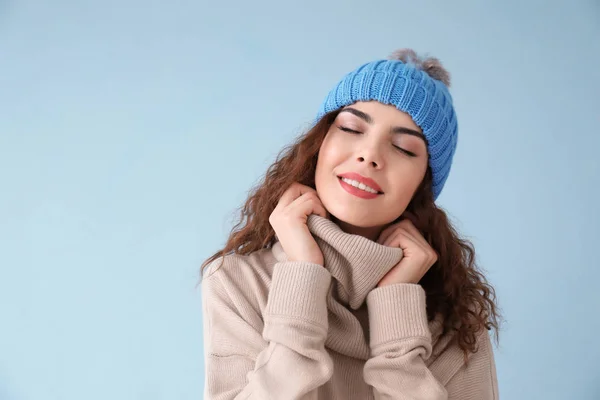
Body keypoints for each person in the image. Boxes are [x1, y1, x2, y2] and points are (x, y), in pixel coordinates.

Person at [198, 48, 502, 399]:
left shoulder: (457, 316)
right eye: (351, 128)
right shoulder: (238, 282)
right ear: (320, 144)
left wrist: (396, 313)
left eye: (404, 148)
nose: (369, 155)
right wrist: (303, 274)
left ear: (423, 185)